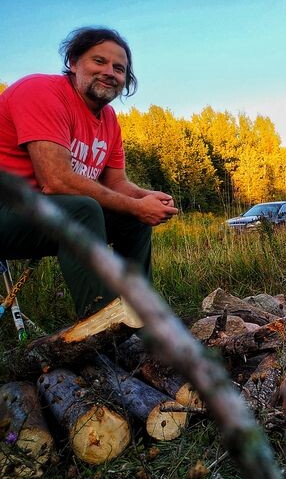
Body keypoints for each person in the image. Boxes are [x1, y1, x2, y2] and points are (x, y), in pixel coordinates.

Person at [0, 27, 178, 317]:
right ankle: (102, 322)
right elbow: (56, 181)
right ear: (73, 62)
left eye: (119, 68)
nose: (110, 72)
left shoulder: (109, 119)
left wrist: (146, 199)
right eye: (99, 61)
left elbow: (116, 183)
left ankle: (139, 317)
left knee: (132, 219)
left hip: (40, 215)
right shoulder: (40, 92)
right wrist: (136, 205)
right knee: (81, 210)